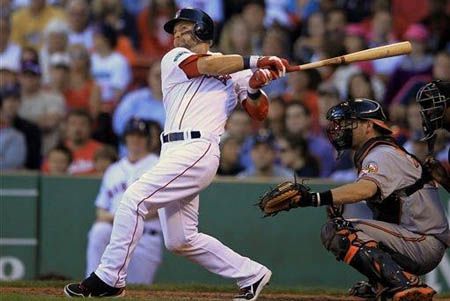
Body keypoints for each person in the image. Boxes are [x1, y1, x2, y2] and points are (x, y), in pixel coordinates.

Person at [64, 7, 289, 300]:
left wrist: (256, 87)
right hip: (173, 150)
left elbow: (259, 113)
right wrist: (257, 61)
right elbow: (207, 67)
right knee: (180, 239)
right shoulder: (176, 58)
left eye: (185, 29)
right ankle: (252, 274)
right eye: (175, 31)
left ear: (204, 31)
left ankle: (109, 278)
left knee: (134, 199)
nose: (177, 35)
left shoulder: (236, 71)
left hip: (198, 147)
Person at [260, 98, 449, 300]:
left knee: (339, 230)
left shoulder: (382, 153)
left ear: (369, 125)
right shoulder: (380, 151)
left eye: (349, 122)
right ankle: (385, 283)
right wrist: (340, 201)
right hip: (413, 239)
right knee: (341, 224)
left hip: (422, 242)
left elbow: (367, 188)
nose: (340, 128)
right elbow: (385, 201)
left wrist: (314, 198)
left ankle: (403, 283)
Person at [86, 118, 162, 285]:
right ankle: (90, 283)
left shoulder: (159, 165)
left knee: (137, 290)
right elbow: (101, 209)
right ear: (124, 138)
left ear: (149, 140)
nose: (135, 140)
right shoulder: (114, 169)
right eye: (131, 135)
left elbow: (160, 206)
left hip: (145, 235)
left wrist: (123, 218)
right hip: (113, 233)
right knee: (99, 230)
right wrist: (119, 219)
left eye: (140, 136)